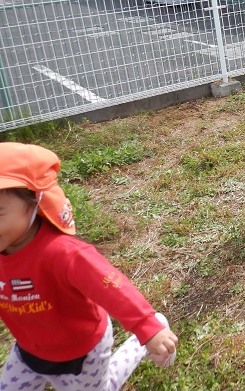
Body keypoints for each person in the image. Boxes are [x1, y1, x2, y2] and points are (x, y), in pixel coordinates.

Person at [0, 142, 178, 391]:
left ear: (34, 203)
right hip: (28, 351)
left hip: (81, 352)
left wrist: (146, 326)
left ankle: (141, 341)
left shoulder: (64, 253)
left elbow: (112, 288)